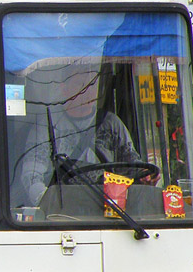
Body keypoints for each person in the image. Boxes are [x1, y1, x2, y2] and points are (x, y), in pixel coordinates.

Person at [16, 62, 140, 205]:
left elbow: (133, 166)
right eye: (80, 84)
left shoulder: (112, 124)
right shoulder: (49, 125)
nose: (88, 91)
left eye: (93, 84)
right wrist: (50, 203)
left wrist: (147, 177)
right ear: (64, 89)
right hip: (64, 211)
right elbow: (31, 176)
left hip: (108, 209)